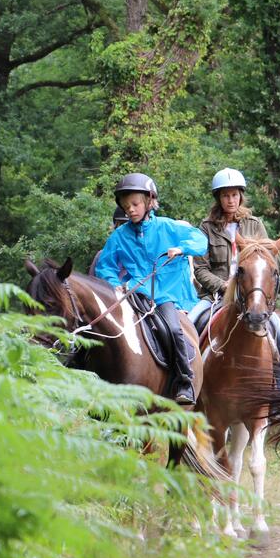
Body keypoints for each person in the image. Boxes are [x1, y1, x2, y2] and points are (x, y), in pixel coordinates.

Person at [94, 173, 207, 406]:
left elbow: (200, 240)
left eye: (135, 204)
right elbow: (104, 266)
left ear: (149, 201)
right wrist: (115, 285)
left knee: (173, 329)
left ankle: (184, 380)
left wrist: (182, 248)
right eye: (126, 207)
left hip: (164, 295)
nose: (131, 210)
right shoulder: (119, 237)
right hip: (133, 294)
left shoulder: (168, 226)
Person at [189, 168, 280, 391]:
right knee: (188, 327)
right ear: (218, 198)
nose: (230, 200)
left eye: (234, 195)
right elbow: (200, 267)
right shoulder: (206, 228)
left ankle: (278, 391)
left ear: (240, 196)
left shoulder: (255, 224)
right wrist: (223, 285)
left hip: (251, 296)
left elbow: (267, 262)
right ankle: (189, 385)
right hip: (214, 297)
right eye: (225, 195)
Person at [88, 206, 129, 276]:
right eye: (122, 224)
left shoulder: (146, 259)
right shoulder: (101, 256)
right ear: (116, 227)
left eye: (131, 225)